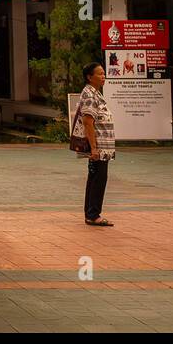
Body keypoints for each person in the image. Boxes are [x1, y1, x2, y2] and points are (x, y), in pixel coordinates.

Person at [74, 62, 116, 226]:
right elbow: (87, 122)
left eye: (104, 73)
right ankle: (93, 214)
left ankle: (91, 213)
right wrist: (94, 148)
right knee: (98, 178)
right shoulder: (90, 96)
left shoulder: (94, 93)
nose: (103, 76)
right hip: (98, 147)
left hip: (102, 147)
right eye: (99, 74)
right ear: (89, 77)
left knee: (95, 177)